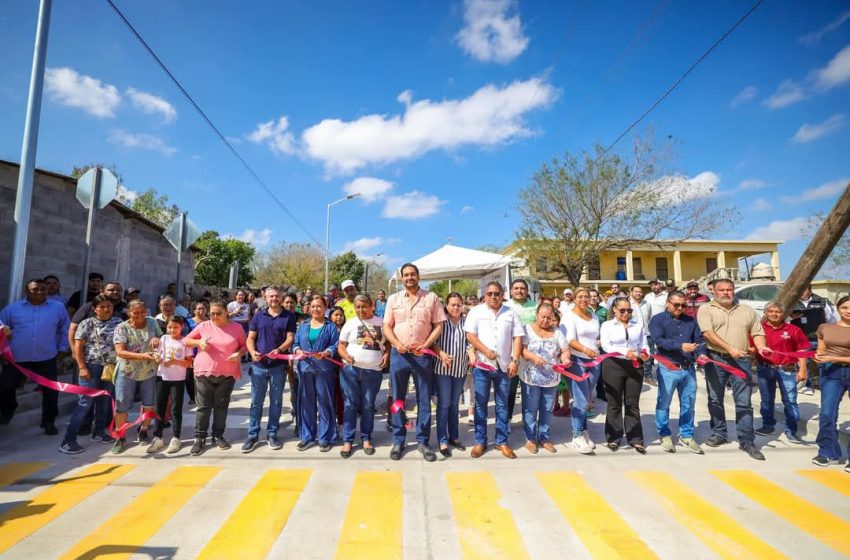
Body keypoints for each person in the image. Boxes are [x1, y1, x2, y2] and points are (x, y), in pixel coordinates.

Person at [697, 278, 770, 461]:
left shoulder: (746, 310)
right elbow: (708, 333)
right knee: (715, 399)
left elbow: (758, 332)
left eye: (729, 289)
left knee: (744, 401)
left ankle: (746, 440)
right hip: (716, 359)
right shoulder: (706, 309)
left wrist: (761, 347)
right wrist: (730, 349)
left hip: (742, 360)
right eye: (722, 290)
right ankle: (719, 433)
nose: (726, 293)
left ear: (734, 290)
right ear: (714, 291)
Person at [383, 263, 445, 461]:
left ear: (419, 276)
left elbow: (438, 326)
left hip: (422, 355)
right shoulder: (393, 299)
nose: (409, 278)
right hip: (399, 355)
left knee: (423, 399)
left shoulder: (432, 298)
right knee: (397, 399)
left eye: (413, 274)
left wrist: (426, 344)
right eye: (406, 275)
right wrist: (396, 344)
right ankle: (399, 439)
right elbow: (386, 326)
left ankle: (423, 441)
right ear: (402, 278)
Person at [0, 279, 71, 433]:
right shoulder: (13, 308)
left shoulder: (58, 308)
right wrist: (3, 327)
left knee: (51, 390)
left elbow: (64, 328)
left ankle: (49, 420)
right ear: (27, 290)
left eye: (43, 289)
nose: (39, 292)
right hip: (17, 357)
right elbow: (1, 322)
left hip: (46, 356)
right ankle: (8, 409)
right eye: (35, 289)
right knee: (5, 385)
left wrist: (63, 348)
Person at [464, 281, 524, 459]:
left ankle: (502, 442)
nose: (493, 297)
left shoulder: (510, 313)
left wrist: (515, 360)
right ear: (484, 294)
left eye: (496, 293)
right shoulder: (476, 312)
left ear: (502, 295)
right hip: (483, 366)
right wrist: (484, 351)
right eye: (490, 293)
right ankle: (480, 441)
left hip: (505, 367)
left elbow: (518, 337)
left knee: (502, 405)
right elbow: (470, 335)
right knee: (481, 405)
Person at [183, 299, 247, 456]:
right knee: (204, 407)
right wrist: (199, 342)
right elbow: (186, 340)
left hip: (227, 373)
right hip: (204, 372)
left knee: (221, 406)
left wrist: (238, 353)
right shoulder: (204, 326)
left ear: (227, 312)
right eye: (211, 314)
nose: (215, 317)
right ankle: (199, 438)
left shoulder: (237, 327)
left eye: (218, 313)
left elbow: (245, 345)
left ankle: (218, 435)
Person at [59, 295, 121, 453]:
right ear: (94, 308)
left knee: (104, 401)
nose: (106, 309)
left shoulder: (118, 323)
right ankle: (68, 440)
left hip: (110, 368)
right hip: (91, 367)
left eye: (109, 306)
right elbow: (78, 347)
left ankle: (99, 432)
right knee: (84, 403)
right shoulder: (86, 323)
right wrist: (82, 367)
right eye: (102, 306)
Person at [649, 290, 706, 454]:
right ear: (667, 303)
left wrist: (701, 353)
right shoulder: (657, 320)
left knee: (689, 404)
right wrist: (680, 346)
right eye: (676, 305)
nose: (680, 308)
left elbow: (700, 340)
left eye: (683, 305)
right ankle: (664, 434)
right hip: (668, 368)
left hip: (688, 368)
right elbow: (659, 341)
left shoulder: (691, 320)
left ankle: (686, 434)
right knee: (664, 403)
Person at [243, 286, 296, 453]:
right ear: (265, 298)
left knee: (276, 402)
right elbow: (250, 338)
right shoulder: (258, 316)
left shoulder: (289, 316)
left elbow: (290, 338)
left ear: (281, 297)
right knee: (256, 403)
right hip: (258, 367)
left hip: (278, 367)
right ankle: (252, 435)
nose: (274, 298)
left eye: (276, 296)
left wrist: (279, 350)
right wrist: (252, 352)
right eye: (271, 296)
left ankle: (272, 434)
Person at [337, 294, 387, 458]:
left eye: (364, 306)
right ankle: (348, 440)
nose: (361, 310)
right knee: (350, 405)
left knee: (367, 405)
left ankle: (366, 438)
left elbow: (388, 344)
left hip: (373, 372)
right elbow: (341, 346)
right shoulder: (350, 324)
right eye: (358, 307)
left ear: (372, 305)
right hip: (351, 371)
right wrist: (345, 355)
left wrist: (387, 355)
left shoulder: (382, 323)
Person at [754, 301, 809, 444]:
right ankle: (768, 426)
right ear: (765, 313)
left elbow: (802, 350)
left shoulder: (793, 330)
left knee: (790, 401)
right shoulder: (758, 330)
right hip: (765, 369)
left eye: (777, 311)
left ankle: (791, 430)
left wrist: (803, 369)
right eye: (770, 311)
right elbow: (751, 347)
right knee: (766, 400)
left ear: (783, 314)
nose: (774, 314)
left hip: (787, 370)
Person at [600, 297, 650, 453]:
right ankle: (613, 437)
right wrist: (625, 352)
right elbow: (606, 345)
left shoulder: (638, 325)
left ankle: (635, 438)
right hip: (613, 365)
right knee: (614, 403)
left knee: (632, 403)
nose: (626, 313)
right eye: (622, 310)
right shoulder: (607, 325)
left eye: (629, 310)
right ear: (614, 309)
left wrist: (645, 353)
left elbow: (643, 344)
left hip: (634, 365)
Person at [112, 299, 162, 453]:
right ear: (129, 312)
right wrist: (142, 356)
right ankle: (120, 436)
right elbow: (120, 351)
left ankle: (143, 430)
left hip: (149, 371)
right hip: (127, 371)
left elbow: (161, 339)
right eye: (136, 312)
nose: (140, 315)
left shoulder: (152, 323)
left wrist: (157, 339)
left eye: (143, 312)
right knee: (122, 404)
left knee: (149, 402)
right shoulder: (122, 328)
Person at [520, 302, 570, 454]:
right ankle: (530, 438)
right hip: (531, 377)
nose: (546, 321)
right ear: (536, 315)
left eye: (549, 318)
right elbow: (521, 349)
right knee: (530, 408)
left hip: (551, 378)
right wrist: (533, 357)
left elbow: (565, 350)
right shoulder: (527, 329)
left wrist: (565, 359)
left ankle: (544, 437)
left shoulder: (557, 332)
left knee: (547, 409)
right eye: (543, 317)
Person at [292, 295, 340, 452]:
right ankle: (307, 437)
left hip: (324, 370)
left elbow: (335, 345)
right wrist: (298, 350)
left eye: (319, 306)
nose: (316, 309)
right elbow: (296, 343)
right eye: (313, 306)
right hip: (305, 369)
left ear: (325, 308)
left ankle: (325, 437)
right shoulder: (303, 326)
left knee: (325, 403)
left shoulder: (330, 326)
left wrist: (326, 352)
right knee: (306, 404)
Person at [812, 295, 850, 471]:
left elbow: (830, 354)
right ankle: (828, 452)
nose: (848, 311)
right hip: (830, 373)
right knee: (827, 414)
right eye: (844, 308)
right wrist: (819, 357)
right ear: (838, 309)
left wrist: (832, 357)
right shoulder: (825, 327)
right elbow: (821, 349)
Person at [561, 287, 602, 453]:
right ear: (574, 299)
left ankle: (584, 431)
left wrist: (597, 346)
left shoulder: (594, 315)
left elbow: (595, 337)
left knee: (587, 399)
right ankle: (576, 435)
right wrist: (585, 350)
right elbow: (569, 340)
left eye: (587, 296)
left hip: (594, 361)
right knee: (581, 400)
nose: (584, 299)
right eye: (581, 296)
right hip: (577, 361)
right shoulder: (569, 316)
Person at [147, 316, 193, 454]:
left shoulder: (185, 342)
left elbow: (189, 362)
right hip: (162, 377)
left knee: (175, 409)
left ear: (182, 326)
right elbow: (157, 354)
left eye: (176, 327)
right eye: (170, 327)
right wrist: (157, 357)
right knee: (159, 407)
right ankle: (158, 437)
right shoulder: (163, 339)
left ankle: (176, 438)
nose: (172, 330)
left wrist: (174, 362)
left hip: (178, 379)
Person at [433, 292, 470, 458]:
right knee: (444, 404)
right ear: (446, 306)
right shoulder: (441, 323)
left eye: (458, 304)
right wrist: (441, 353)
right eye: (452, 304)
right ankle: (442, 439)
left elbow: (470, 343)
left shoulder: (466, 323)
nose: (455, 307)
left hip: (460, 370)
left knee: (455, 404)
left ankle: (454, 437)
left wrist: (472, 354)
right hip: (443, 369)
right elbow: (433, 343)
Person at [791, 284, 838, 396]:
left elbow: (831, 319)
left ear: (810, 290)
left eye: (804, 289)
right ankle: (806, 385)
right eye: (800, 290)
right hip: (801, 340)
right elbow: (784, 320)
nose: (802, 292)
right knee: (803, 364)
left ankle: (824, 384)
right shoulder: (792, 303)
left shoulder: (821, 302)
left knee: (822, 363)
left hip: (820, 339)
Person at [505, 279, 538, 421]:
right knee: (509, 391)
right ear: (511, 291)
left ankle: (529, 422)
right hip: (511, 356)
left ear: (527, 291)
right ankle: (507, 421)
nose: (519, 291)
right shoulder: (505, 307)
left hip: (531, 355)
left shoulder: (535, 307)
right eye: (516, 288)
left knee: (530, 391)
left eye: (522, 288)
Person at [630, 285, 655, 386]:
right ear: (631, 292)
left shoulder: (647, 304)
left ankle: (648, 376)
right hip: (634, 335)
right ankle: (634, 377)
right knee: (634, 356)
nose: (638, 293)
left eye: (640, 292)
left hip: (647, 334)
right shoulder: (629, 305)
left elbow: (649, 317)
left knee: (648, 356)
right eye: (636, 291)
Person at [329, 306, 347, 429]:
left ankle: (341, 422)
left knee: (342, 396)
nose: (339, 317)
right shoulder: (327, 329)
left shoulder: (347, 329)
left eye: (341, 315)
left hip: (344, 367)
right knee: (330, 396)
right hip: (330, 366)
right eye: (336, 315)